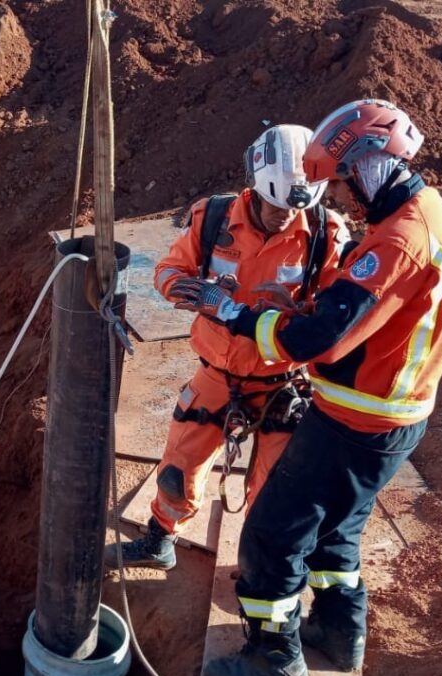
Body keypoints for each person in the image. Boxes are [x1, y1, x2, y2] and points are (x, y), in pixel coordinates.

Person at [194, 100, 442, 676]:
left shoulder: (398, 242)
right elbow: (368, 315)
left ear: (373, 165)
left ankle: (273, 658)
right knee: (337, 529)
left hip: (356, 422)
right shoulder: (430, 213)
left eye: (343, 182)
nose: (341, 198)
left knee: (275, 532)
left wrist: (238, 314)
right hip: (390, 416)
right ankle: (341, 635)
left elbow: (315, 341)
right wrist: (311, 308)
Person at [105, 125, 348, 571]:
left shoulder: (325, 233)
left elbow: (338, 311)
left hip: (283, 381)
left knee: (275, 489)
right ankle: (162, 538)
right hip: (218, 373)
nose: (283, 216)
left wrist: (297, 309)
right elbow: (166, 270)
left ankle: (260, 571)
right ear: (256, 188)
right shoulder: (213, 218)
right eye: (275, 205)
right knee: (180, 468)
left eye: (293, 207)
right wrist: (194, 292)